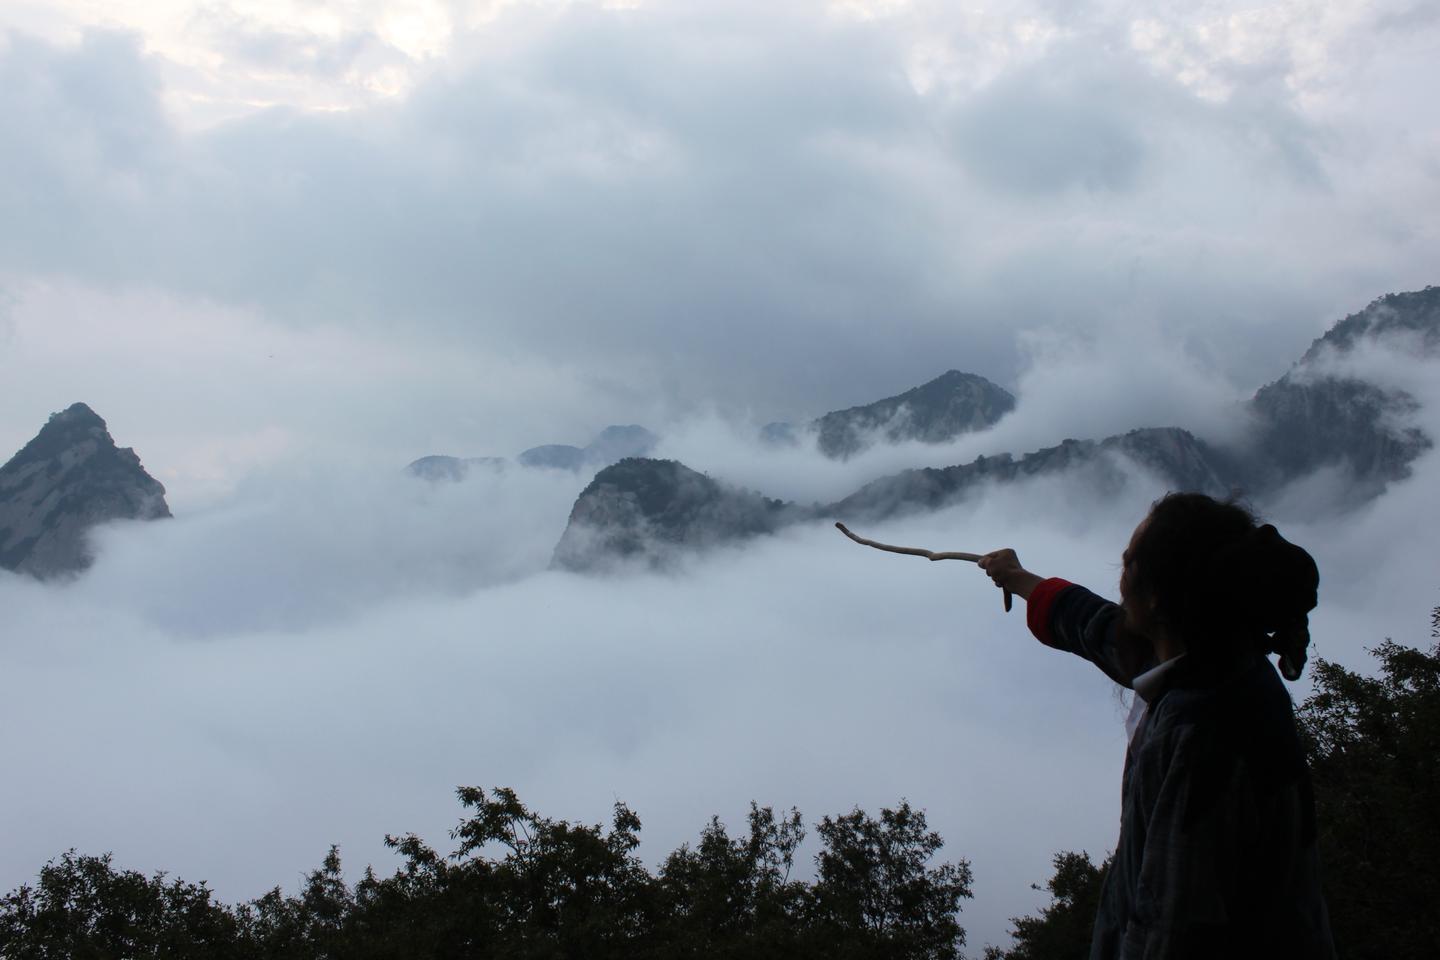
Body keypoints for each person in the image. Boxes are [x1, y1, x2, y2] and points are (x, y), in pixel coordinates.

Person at [978, 492, 1335, 959]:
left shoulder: (1201, 738)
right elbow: (1098, 628)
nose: (1120, 579)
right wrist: (1019, 578)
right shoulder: (1216, 659)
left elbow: (1170, 925)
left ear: (1158, 600)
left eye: (1128, 565)